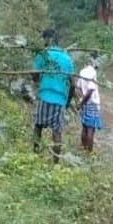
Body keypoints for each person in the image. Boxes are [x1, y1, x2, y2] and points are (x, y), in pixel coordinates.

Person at [31, 28, 75, 163]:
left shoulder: (42, 54)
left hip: (44, 95)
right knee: (57, 132)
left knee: (38, 126)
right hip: (60, 100)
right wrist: (67, 102)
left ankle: (35, 155)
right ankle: (56, 163)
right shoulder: (67, 59)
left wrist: (40, 77)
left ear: (46, 39)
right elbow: (73, 84)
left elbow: (34, 76)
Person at [77, 55, 102, 152]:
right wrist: (83, 102)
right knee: (91, 130)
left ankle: (83, 149)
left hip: (84, 103)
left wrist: (81, 100)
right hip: (91, 104)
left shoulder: (82, 71)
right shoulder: (92, 72)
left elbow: (78, 86)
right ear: (94, 62)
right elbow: (91, 89)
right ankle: (89, 153)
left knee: (84, 127)